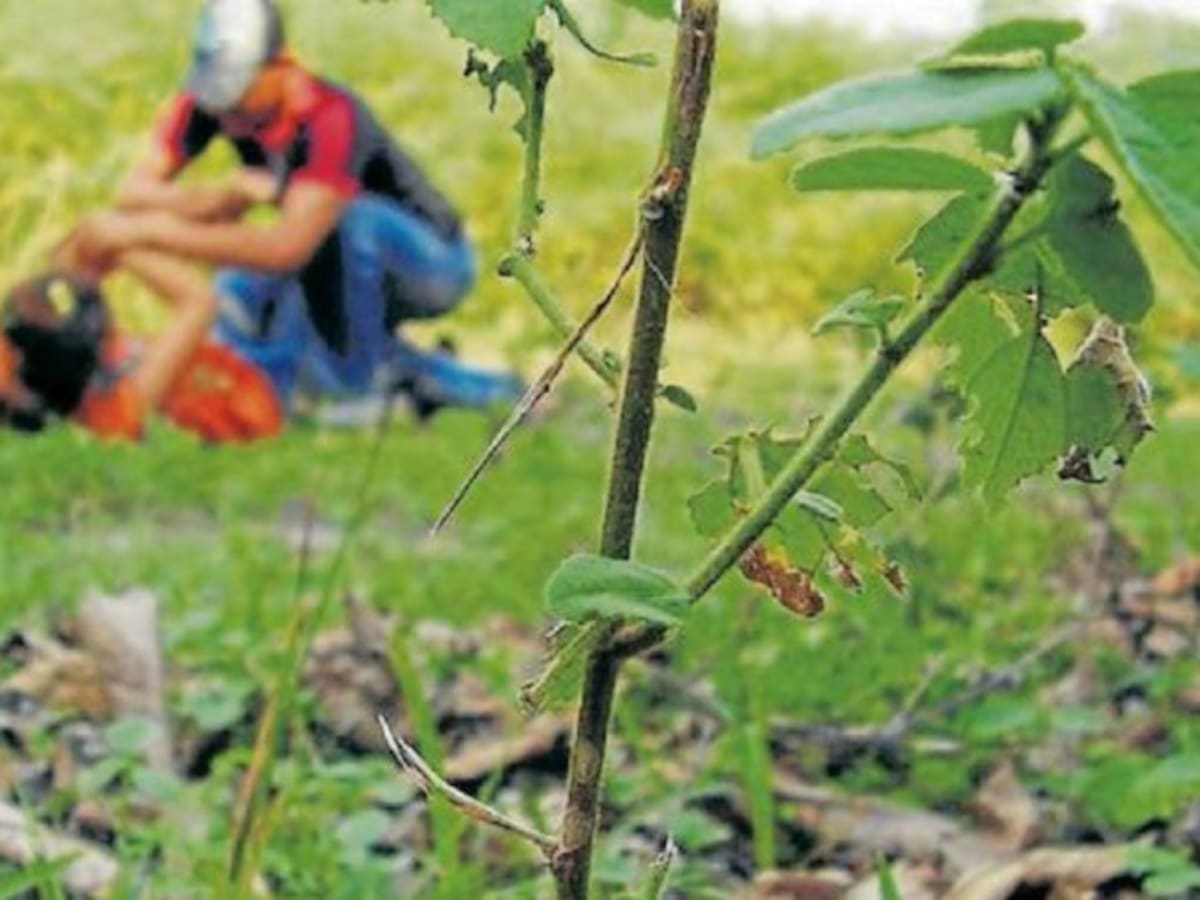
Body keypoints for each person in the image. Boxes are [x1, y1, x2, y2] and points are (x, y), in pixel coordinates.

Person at [1, 0, 519, 441]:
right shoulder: (213, 103)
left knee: (346, 225)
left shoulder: (330, 118)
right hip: (317, 262)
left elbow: (287, 246)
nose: (227, 117)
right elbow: (135, 194)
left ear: (281, 66)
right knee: (240, 298)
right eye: (217, 99)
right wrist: (217, 199)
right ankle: (451, 385)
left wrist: (136, 235)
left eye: (237, 98)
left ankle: (352, 388)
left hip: (428, 263)